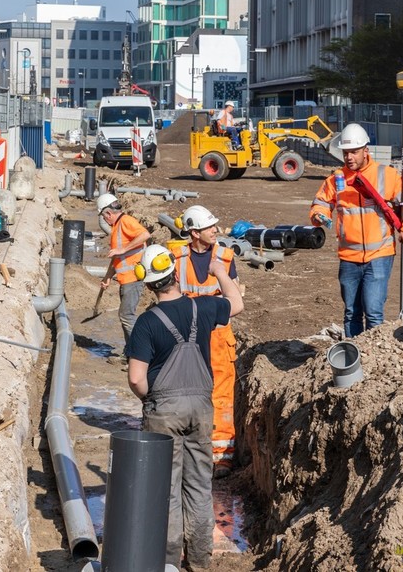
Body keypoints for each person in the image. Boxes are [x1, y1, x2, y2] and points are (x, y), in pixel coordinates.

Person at [127, 244, 244, 572]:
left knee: (166, 489)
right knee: (197, 485)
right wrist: (221, 272)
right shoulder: (203, 308)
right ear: (174, 274)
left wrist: (152, 400)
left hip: (163, 411)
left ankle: (168, 562)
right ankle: (199, 560)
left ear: (148, 284)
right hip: (201, 410)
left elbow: (136, 378)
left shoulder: (146, 323)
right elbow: (237, 303)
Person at [310, 123, 403, 337]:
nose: (349, 157)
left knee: (373, 312)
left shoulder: (385, 175)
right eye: (345, 152)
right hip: (349, 257)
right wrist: (319, 214)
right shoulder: (337, 179)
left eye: (353, 152)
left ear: (365, 151)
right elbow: (321, 202)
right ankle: (354, 355)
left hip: (379, 254)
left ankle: (373, 357)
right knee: (351, 313)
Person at [171, 205, 239, 479]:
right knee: (189, 394)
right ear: (194, 232)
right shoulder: (176, 258)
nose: (216, 230)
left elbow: (235, 297)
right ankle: (193, 452)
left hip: (219, 336)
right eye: (210, 227)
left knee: (222, 395)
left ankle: (222, 457)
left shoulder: (225, 256)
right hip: (187, 337)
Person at [97, 193, 151, 367]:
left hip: (133, 278)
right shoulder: (117, 227)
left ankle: (140, 357)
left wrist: (122, 249)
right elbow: (116, 258)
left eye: (104, 218)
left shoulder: (125, 221)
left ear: (108, 214)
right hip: (125, 279)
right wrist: (107, 278)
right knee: (125, 316)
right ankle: (130, 354)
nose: (104, 221)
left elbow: (145, 235)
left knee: (127, 316)